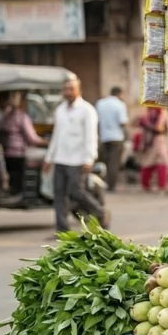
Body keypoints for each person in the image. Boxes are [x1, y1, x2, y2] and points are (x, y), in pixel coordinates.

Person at [44, 76, 107, 231]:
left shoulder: (87, 110)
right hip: (60, 158)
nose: (68, 92)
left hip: (78, 159)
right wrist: (49, 158)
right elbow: (56, 136)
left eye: (71, 89)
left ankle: (100, 212)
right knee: (59, 195)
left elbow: (91, 136)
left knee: (76, 192)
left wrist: (89, 158)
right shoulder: (60, 110)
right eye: (66, 89)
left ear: (79, 90)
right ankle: (62, 229)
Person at [0, 90, 45, 196]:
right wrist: (47, 142)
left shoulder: (6, 116)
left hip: (7, 152)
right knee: (47, 156)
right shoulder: (21, 117)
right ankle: (42, 190)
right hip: (19, 152)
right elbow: (33, 139)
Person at [96, 86, 128, 191]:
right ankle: (111, 186)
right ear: (119, 93)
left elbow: (97, 120)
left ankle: (102, 183)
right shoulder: (120, 104)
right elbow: (122, 122)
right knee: (113, 163)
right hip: (116, 137)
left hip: (104, 137)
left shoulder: (100, 103)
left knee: (105, 161)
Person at [138, 107, 168, 193]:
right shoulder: (160, 113)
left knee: (151, 163)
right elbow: (159, 128)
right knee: (158, 162)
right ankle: (160, 186)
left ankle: (150, 185)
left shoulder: (147, 113)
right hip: (155, 141)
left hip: (150, 140)